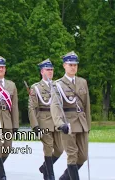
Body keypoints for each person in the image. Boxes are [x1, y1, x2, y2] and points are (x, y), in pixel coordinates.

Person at [50, 51, 91, 180]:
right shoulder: (57, 85)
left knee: (83, 156)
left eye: (75, 65)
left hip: (81, 123)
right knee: (72, 155)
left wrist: (88, 125)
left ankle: (64, 178)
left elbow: (86, 106)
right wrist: (60, 124)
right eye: (70, 64)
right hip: (67, 124)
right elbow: (55, 106)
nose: (73, 67)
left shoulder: (82, 82)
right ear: (64, 66)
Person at [28, 59, 63, 180]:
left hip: (57, 121)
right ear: (42, 71)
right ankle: (49, 175)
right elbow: (32, 108)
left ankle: (44, 167)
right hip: (43, 121)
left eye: (52, 70)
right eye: (48, 70)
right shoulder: (36, 87)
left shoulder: (58, 86)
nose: (50, 72)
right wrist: (35, 126)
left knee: (59, 149)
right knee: (48, 148)